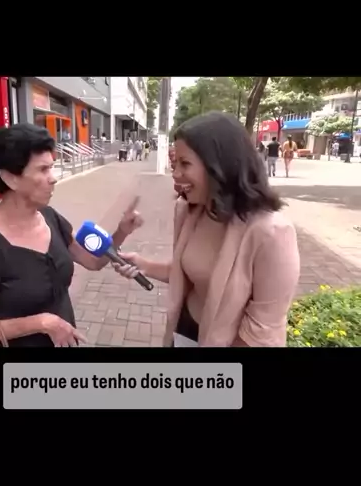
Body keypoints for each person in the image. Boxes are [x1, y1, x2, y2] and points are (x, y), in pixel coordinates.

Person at [114, 112, 300, 347]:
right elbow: (192, 273)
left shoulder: (272, 233)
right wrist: (144, 265)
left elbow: (263, 329)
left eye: (185, 164)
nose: (176, 174)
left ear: (218, 166)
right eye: (175, 163)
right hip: (184, 331)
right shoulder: (189, 211)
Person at [0, 124, 143, 347]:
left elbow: (93, 261)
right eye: (43, 170)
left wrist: (122, 231)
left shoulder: (49, 217)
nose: (53, 178)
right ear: (10, 178)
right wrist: (42, 323)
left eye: (51, 167)